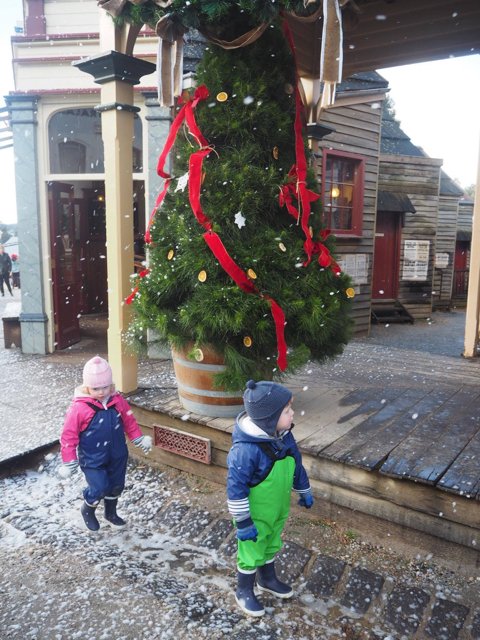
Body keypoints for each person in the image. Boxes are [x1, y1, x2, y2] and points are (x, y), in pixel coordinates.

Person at [226, 379, 314, 617]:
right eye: (287, 410)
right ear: (269, 418)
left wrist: (303, 489)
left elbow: (295, 464)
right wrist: (243, 523)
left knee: (271, 543)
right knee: (251, 550)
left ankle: (267, 579)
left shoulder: (284, 436)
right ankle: (244, 589)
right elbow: (235, 489)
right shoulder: (245, 451)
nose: (292, 413)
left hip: (277, 509)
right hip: (253, 516)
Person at [59, 356, 153, 531]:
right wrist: (69, 459)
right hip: (92, 459)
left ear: (111, 385)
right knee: (100, 487)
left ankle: (110, 513)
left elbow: (129, 421)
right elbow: (68, 435)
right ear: (87, 386)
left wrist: (137, 438)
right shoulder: (79, 408)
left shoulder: (117, 401)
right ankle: (88, 508)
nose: (101, 392)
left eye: (105, 387)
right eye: (95, 388)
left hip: (117, 454)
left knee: (116, 485)